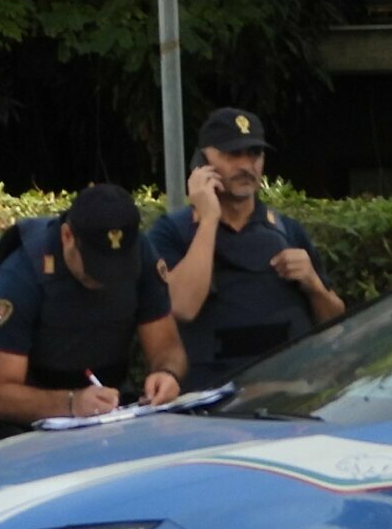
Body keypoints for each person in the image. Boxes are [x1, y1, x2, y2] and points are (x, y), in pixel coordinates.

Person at [145, 107, 345, 392]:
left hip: (288, 396)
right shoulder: (172, 232)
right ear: (202, 162)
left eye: (254, 154)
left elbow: (335, 325)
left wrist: (314, 285)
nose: (246, 165)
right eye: (232, 154)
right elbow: (182, 307)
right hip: (212, 401)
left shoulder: (286, 230)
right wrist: (209, 219)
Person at [0, 183, 185, 431]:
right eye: (97, 267)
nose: (107, 280)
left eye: (119, 269)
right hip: (31, 430)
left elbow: (166, 344)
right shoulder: (22, 274)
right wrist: (71, 403)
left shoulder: (142, 252)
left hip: (111, 415)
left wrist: (167, 373)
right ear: (67, 237)